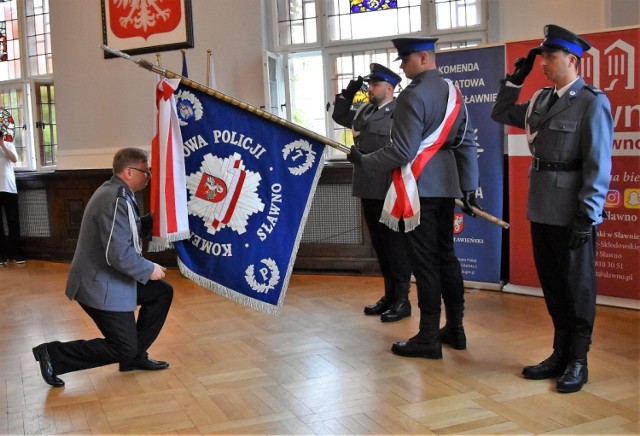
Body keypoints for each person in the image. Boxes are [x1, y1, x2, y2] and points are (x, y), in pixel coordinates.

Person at [491, 25, 613, 393]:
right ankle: (560, 353)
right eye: (542, 56)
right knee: (554, 286)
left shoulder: (592, 102)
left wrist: (587, 214)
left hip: (573, 212)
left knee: (577, 287)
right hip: (542, 207)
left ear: (572, 60)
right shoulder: (542, 100)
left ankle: (578, 359)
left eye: (549, 56)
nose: (542, 62)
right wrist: (515, 80)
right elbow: (502, 113)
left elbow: (598, 164)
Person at [348, 37, 480, 358]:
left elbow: (404, 151)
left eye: (405, 60)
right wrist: (469, 186)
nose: (403, 67)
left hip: (418, 186)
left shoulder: (413, 95)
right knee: (446, 256)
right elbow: (465, 142)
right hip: (446, 185)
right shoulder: (453, 92)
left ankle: (428, 337)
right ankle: (456, 328)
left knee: (424, 262)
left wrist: (365, 162)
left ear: (423, 58)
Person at [32, 147, 173, 387]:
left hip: (111, 279)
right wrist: (149, 268)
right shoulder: (114, 198)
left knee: (161, 292)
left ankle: (134, 357)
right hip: (99, 284)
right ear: (129, 172)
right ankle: (53, 355)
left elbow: (127, 232)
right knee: (122, 347)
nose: (148, 176)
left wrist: (157, 219)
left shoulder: (118, 192)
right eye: (145, 172)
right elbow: (117, 254)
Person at [332, 63, 413, 323]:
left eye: (374, 84)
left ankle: (403, 299)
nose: (369, 88)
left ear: (389, 88)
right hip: (367, 186)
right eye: (368, 84)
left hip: (390, 187)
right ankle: (389, 295)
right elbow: (339, 116)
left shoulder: (399, 111)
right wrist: (347, 92)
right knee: (380, 244)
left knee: (395, 244)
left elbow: (402, 148)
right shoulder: (365, 111)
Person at [0, 130, 25, 265]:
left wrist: (2, 145)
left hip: (9, 188)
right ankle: (2, 254)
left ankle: (16, 253)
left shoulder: (9, 145)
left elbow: (14, 159)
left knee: (13, 222)